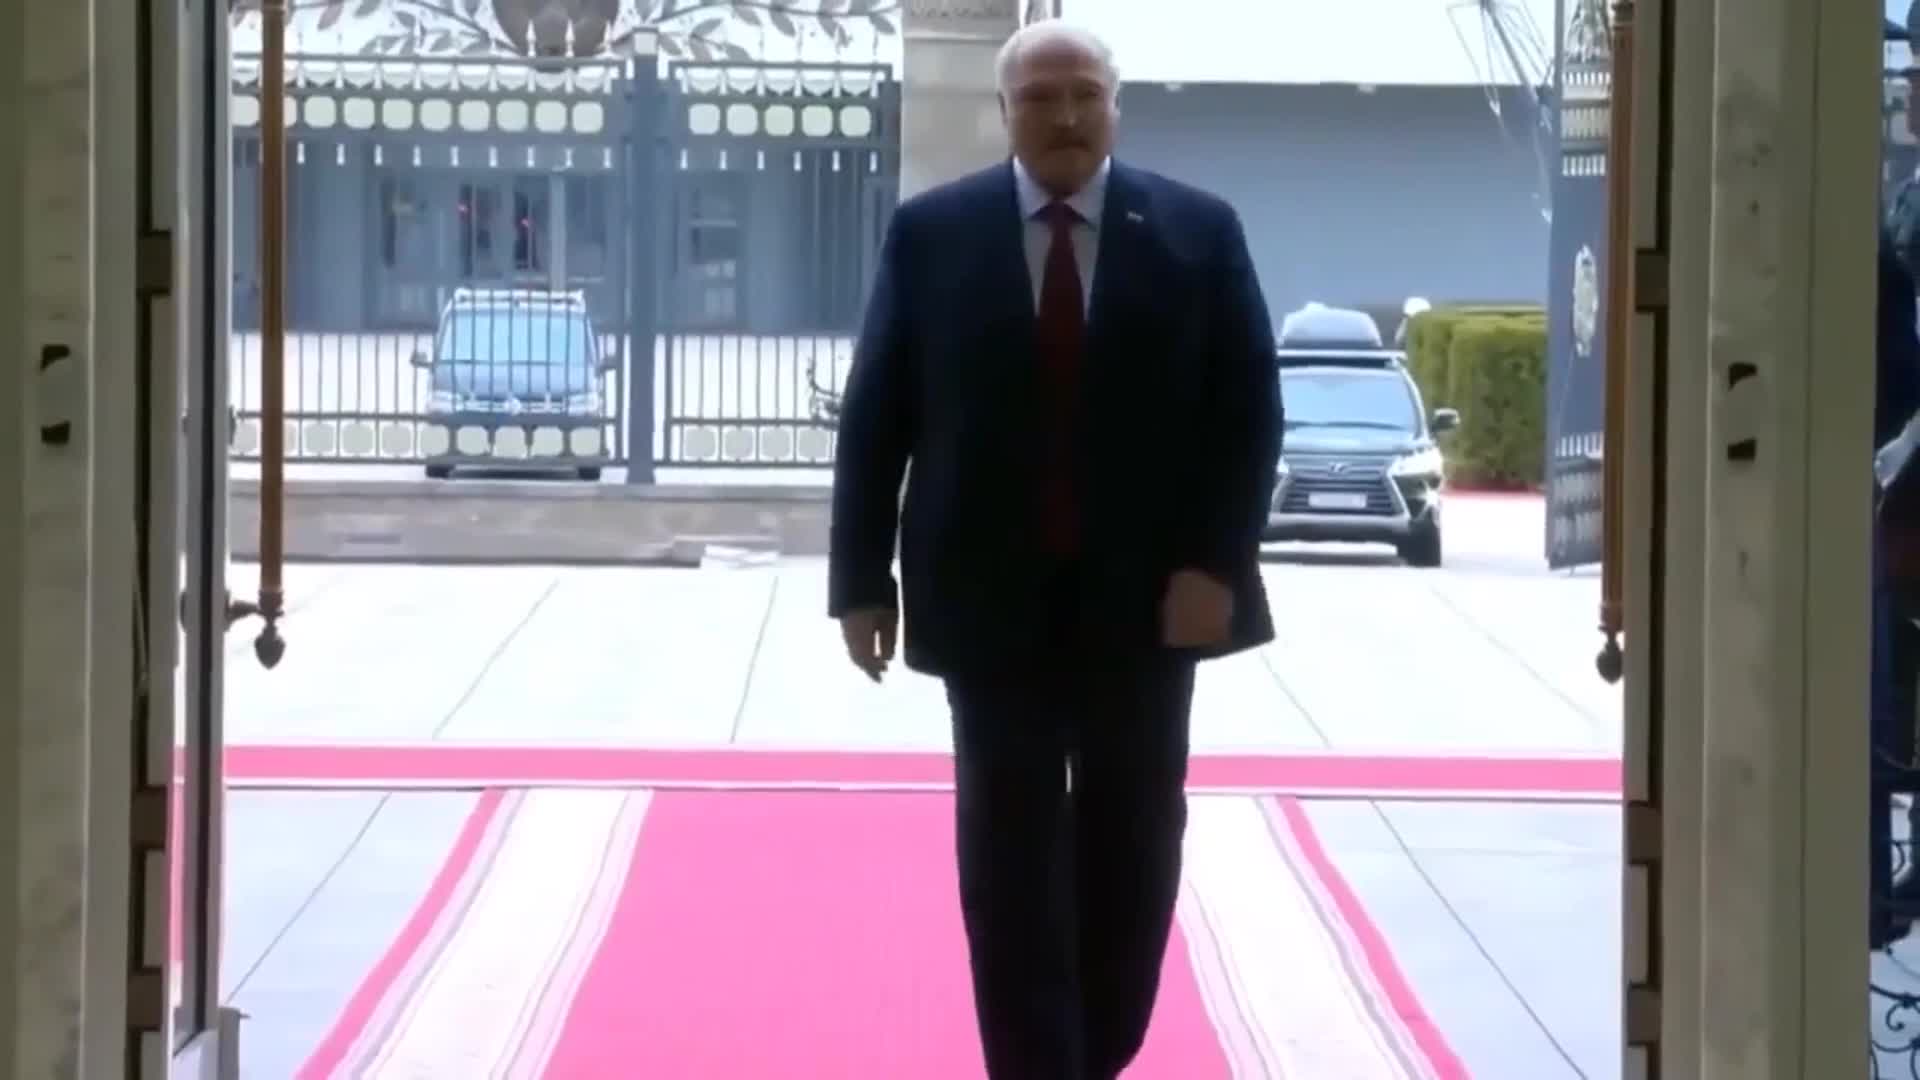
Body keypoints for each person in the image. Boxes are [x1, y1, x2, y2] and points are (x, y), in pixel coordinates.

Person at [825, 18, 1280, 1079]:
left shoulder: (1198, 230)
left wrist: (1216, 565)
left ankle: (1097, 1049)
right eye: (1040, 97)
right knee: (1008, 856)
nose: (1065, 116)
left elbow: (1247, 412)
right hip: (988, 606)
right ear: (1006, 113)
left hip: (1150, 605)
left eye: (1084, 94)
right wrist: (860, 582)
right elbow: (879, 411)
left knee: (1135, 844)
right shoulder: (933, 234)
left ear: (1115, 106)